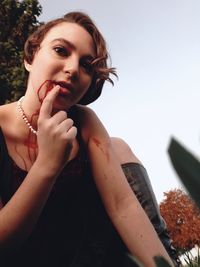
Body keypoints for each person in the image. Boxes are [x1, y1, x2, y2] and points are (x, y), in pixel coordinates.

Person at [0, 11, 175, 267]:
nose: (72, 69)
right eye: (61, 50)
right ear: (30, 57)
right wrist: (47, 165)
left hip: (89, 256)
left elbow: (122, 205)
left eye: (86, 65)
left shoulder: (84, 122)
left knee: (118, 147)